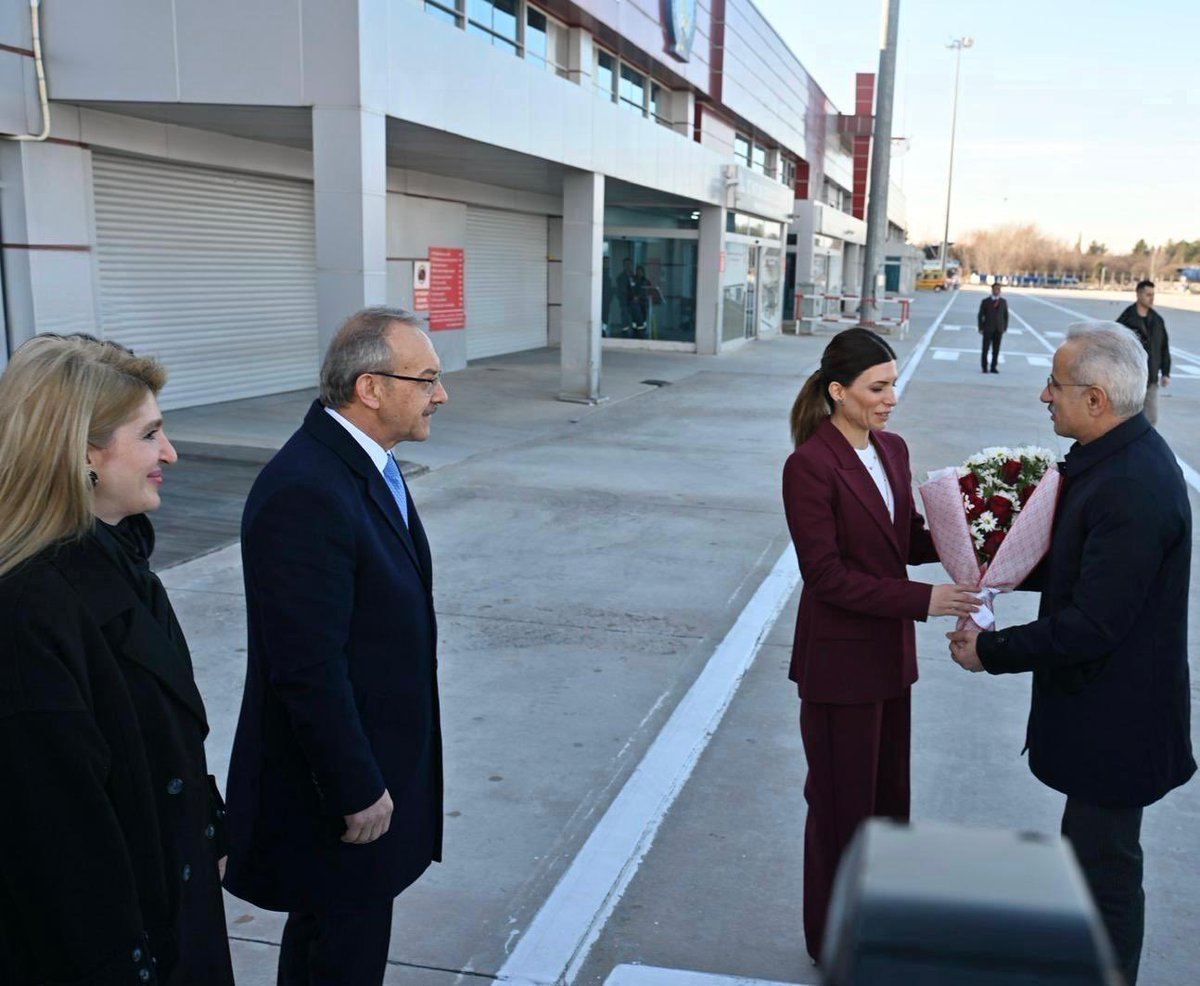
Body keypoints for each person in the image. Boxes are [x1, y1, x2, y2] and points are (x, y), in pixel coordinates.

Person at [947, 322, 1195, 986]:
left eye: (1054, 385)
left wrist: (989, 651)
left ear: (1096, 400)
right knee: (1089, 858)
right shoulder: (1112, 462)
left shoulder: (1133, 487)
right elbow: (1071, 567)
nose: (1042, 396)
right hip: (1103, 714)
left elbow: (1093, 624)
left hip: (1119, 720)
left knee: (1106, 869)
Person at [223, 307, 449, 986]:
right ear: (371, 388)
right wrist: (357, 786)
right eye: (427, 379)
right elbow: (306, 664)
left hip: (374, 773)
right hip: (341, 795)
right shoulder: (307, 490)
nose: (442, 394)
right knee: (337, 958)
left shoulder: (364, 466)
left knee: (336, 944)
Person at [0, 334, 234, 985]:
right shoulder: (26, 613)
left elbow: (168, 739)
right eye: (150, 434)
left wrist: (207, 827)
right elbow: (57, 846)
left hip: (173, 909)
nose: (171, 453)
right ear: (84, 453)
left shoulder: (119, 559)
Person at [782, 327, 980, 963]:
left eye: (893, 384)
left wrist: (985, 532)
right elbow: (827, 577)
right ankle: (833, 945)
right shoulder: (809, 466)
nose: (892, 397)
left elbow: (906, 539)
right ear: (838, 392)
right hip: (839, 668)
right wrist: (926, 601)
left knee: (890, 805)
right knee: (842, 814)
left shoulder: (892, 450)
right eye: (878, 387)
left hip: (890, 662)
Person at [1116, 279, 1170, 425]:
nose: (1152, 298)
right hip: (1130, 378)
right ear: (1139, 294)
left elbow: (1164, 347)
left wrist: (1165, 373)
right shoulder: (1126, 319)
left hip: (1151, 378)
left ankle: (1144, 447)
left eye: (1153, 294)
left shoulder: (1158, 320)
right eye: (1148, 294)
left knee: (1151, 419)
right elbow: (1115, 346)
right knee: (1128, 418)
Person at [977, 281, 1008, 373]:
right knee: (985, 349)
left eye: (998, 289)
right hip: (987, 329)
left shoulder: (1003, 302)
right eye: (995, 289)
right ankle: (984, 367)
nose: (997, 291)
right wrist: (980, 328)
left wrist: (1004, 328)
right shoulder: (985, 302)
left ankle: (993, 367)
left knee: (996, 350)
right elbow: (980, 316)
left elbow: (1006, 316)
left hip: (998, 330)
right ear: (992, 290)